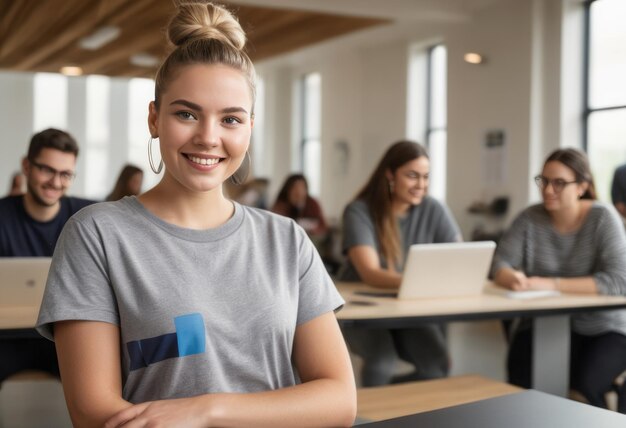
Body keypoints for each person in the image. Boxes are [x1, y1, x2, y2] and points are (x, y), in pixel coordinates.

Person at [36, 3, 356, 427]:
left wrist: (208, 410)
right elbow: (95, 414)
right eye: (186, 114)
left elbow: (338, 399)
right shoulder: (96, 235)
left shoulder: (286, 239)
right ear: (154, 118)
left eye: (230, 119)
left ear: (249, 129)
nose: (208, 138)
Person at [491, 148, 626, 413]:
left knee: (583, 389)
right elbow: (499, 263)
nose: (548, 190)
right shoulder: (529, 218)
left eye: (559, 183)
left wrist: (550, 283)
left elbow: (619, 280)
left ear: (582, 187)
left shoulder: (603, 218)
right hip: (544, 325)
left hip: (605, 328)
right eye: (543, 180)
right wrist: (511, 277)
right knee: (521, 388)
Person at [338, 140, 462, 386]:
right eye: (412, 176)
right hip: (364, 308)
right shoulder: (359, 211)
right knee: (382, 363)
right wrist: (423, 283)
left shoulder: (434, 209)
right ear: (390, 174)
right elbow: (370, 272)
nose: (421, 185)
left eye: (426, 177)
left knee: (437, 365)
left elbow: (459, 258)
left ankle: (400, 410)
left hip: (406, 306)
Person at [0, 128, 93, 385]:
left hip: (65, 334)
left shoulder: (87, 217)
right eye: (47, 170)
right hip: (7, 336)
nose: (55, 181)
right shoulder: (3, 216)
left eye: (65, 174)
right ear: (26, 166)